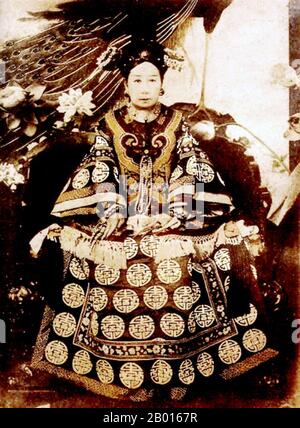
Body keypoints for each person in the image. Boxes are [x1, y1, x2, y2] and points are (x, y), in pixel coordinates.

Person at [28, 39, 278, 402]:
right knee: (92, 258)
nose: (144, 88)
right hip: (117, 220)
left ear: (162, 84)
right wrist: (115, 213)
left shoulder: (177, 124)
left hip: (171, 219)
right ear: (126, 85)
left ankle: (182, 366)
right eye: (137, 81)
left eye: (151, 80)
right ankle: (113, 369)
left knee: (186, 260)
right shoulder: (109, 126)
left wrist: (171, 216)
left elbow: (192, 170)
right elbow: (101, 169)